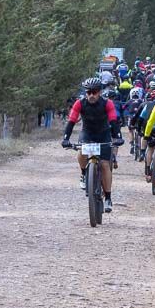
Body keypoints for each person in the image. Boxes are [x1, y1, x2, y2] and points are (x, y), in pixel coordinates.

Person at [61, 77, 124, 213]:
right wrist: (66, 138)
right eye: (88, 92)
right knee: (81, 152)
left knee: (105, 165)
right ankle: (84, 173)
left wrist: (118, 137)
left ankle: (108, 197)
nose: (91, 95)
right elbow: (71, 122)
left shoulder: (107, 104)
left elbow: (113, 121)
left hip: (103, 133)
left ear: (99, 92)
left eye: (94, 92)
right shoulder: (80, 103)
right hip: (87, 133)